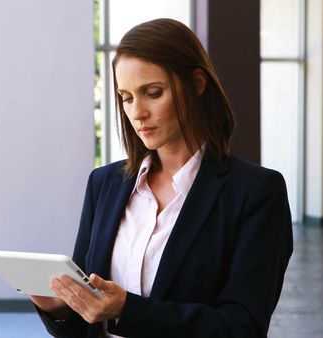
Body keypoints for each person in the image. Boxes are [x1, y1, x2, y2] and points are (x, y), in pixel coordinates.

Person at [30, 18, 293, 338]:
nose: (137, 112)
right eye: (126, 97)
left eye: (152, 93)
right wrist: (58, 307)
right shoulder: (104, 183)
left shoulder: (256, 192)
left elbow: (242, 327)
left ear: (197, 83)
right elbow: (84, 327)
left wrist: (128, 310)